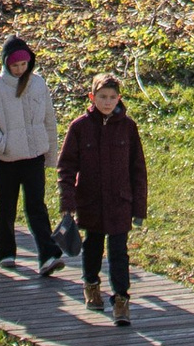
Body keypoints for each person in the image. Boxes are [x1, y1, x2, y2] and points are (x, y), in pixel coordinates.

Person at [58, 71, 146, 325]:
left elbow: (137, 169)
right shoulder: (80, 127)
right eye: (102, 97)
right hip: (90, 201)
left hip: (120, 202)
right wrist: (68, 203)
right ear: (92, 97)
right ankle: (91, 284)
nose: (107, 102)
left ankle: (121, 299)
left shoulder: (128, 128)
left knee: (119, 252)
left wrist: (138, 206)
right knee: (93, 247)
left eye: (112, 97)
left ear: (119, 99)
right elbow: (66, 167)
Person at [0, 34, 64, 272]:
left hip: (34, 156)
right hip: (5, 159)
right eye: (14, 65)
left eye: (23, 64)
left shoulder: (38, 84)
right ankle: (5, 252)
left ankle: (48, 253)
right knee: (6, 206)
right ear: (6, 63)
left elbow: (49, 120)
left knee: (37, 206)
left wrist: (50, 154)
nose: (19, 69)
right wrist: (2, 142)